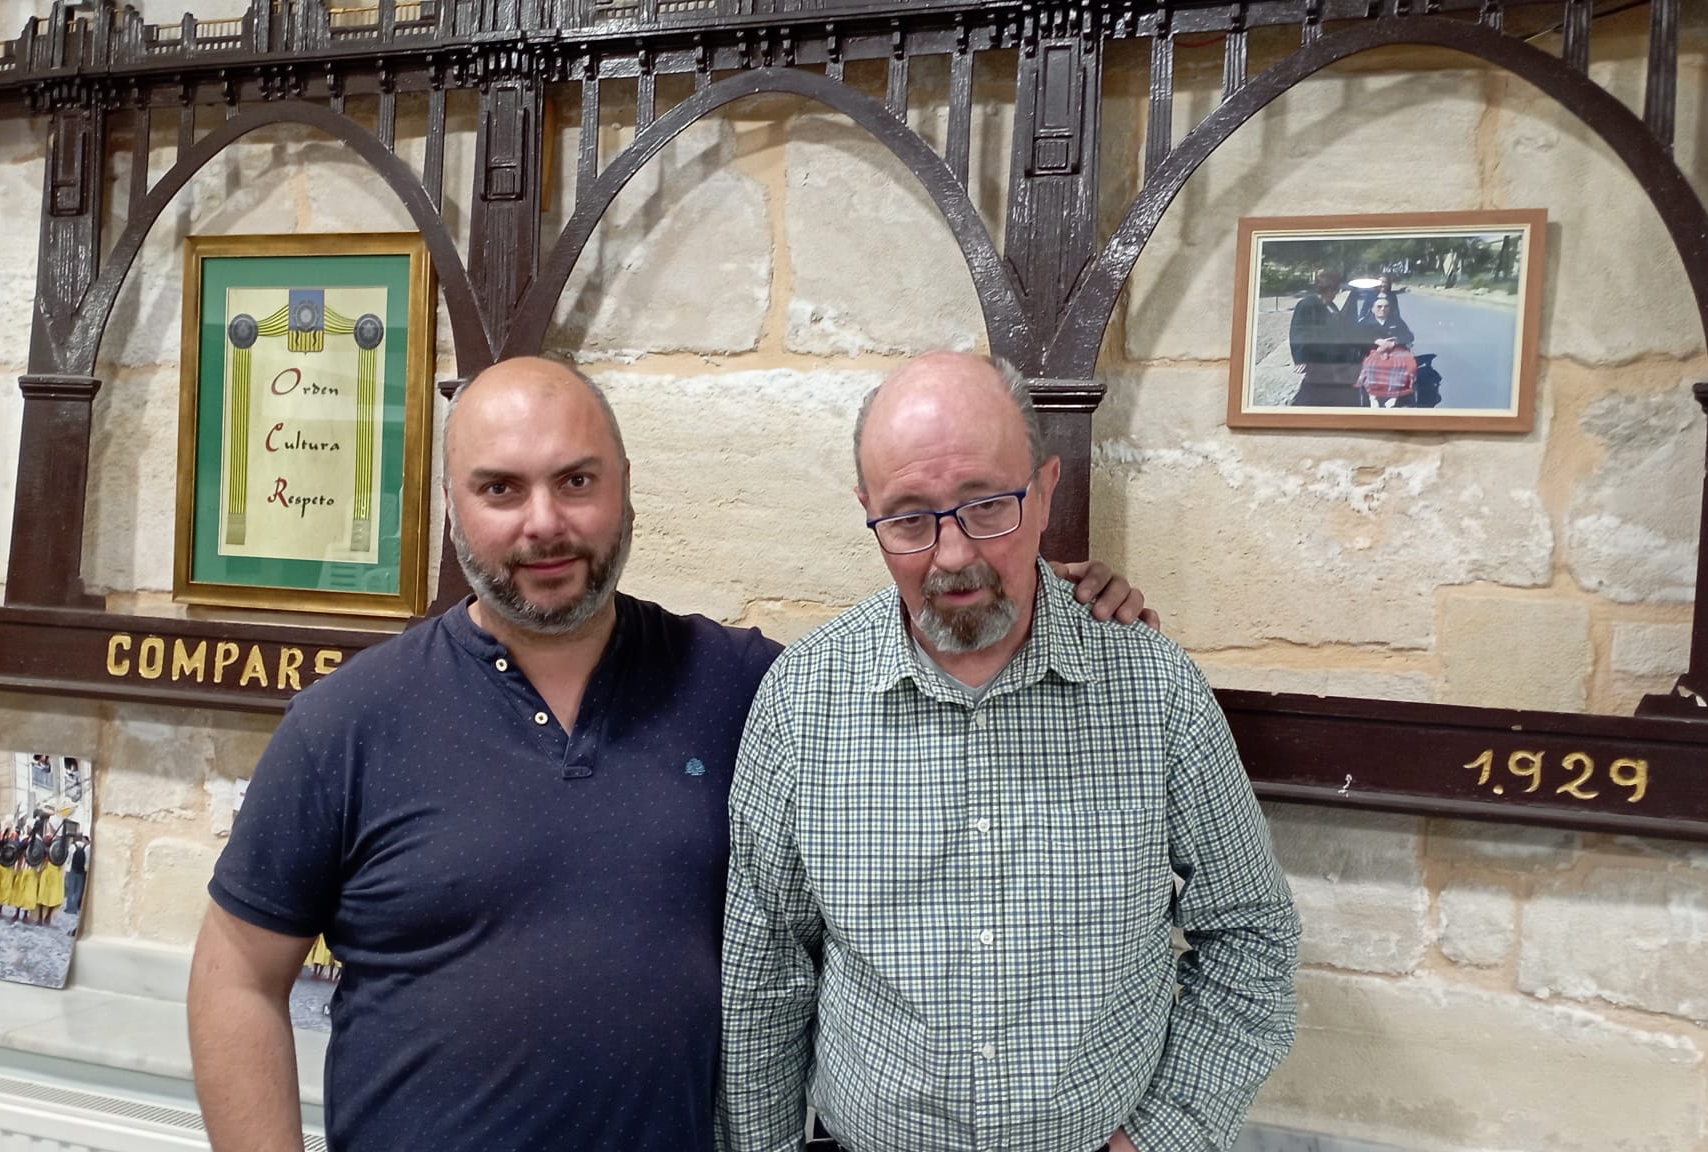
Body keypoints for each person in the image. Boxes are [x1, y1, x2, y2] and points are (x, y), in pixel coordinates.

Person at [188, 355, 1155, 1152]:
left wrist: (1051, 596)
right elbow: (238, 970)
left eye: (576, 480)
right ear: (452, 504)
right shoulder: (347, 723)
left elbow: (930, 664)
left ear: (625, 491)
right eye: (499, 488)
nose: (543, 523)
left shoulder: (746, 687)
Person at [721, 352, 1301, 1152]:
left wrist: (1166, 1135)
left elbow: (1251, 932)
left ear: (1046, 490)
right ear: (868, 512)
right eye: (910, 517)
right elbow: (765, 979)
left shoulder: (1154, 691)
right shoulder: (801, 703)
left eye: (987, 504)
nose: (953, 554)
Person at [1288, 267, 1367, 407]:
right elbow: (1299, 331)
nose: (1337, 293)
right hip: (1320, 360)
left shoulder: (1330, 305)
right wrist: (1301, 358)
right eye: (1336, 289)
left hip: (1336, 360)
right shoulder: (1307, 304)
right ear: (1330, 289)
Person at [1355, 294, 1421, 408]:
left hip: (1396, 350)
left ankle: (1394, 396)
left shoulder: (1396, 321)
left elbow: (1409, 336)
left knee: (1404, 365)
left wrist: (1393, 342)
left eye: (1386, 307)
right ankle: (1373, 396)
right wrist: (1376, 340)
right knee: (1372, 365)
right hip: (1373, 351)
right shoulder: (1365, 323)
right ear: (1372, 309)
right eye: (1379, 306)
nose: (1382, 309)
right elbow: (1357, 337)